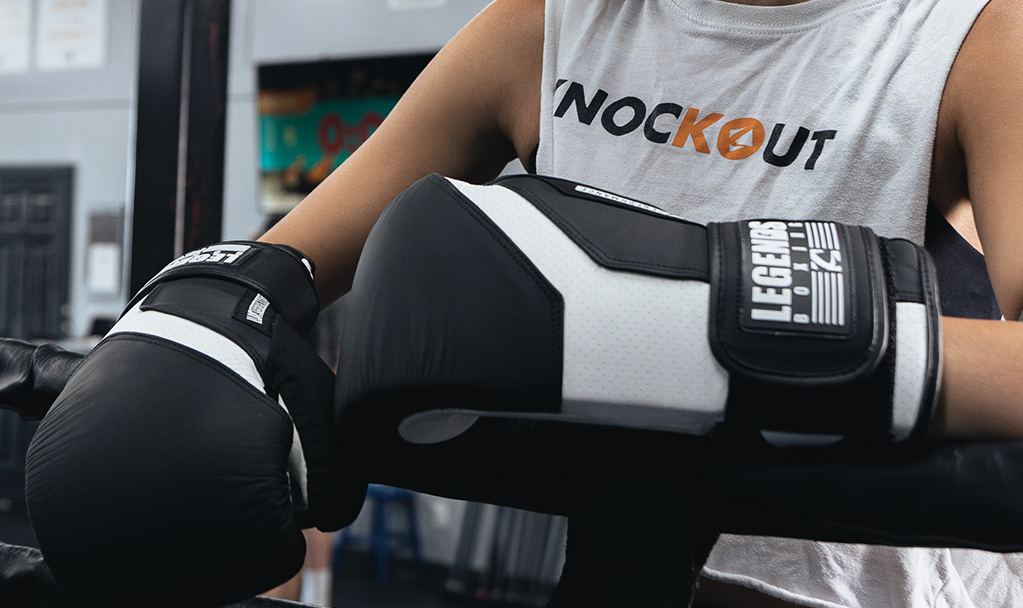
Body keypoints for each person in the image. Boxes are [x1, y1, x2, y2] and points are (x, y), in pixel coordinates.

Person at [255, 0, 1023, 606]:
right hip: (623, 572)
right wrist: (194, 346)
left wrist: (674, 332)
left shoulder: (975, 35)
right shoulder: (547, 25)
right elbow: (264, 277)